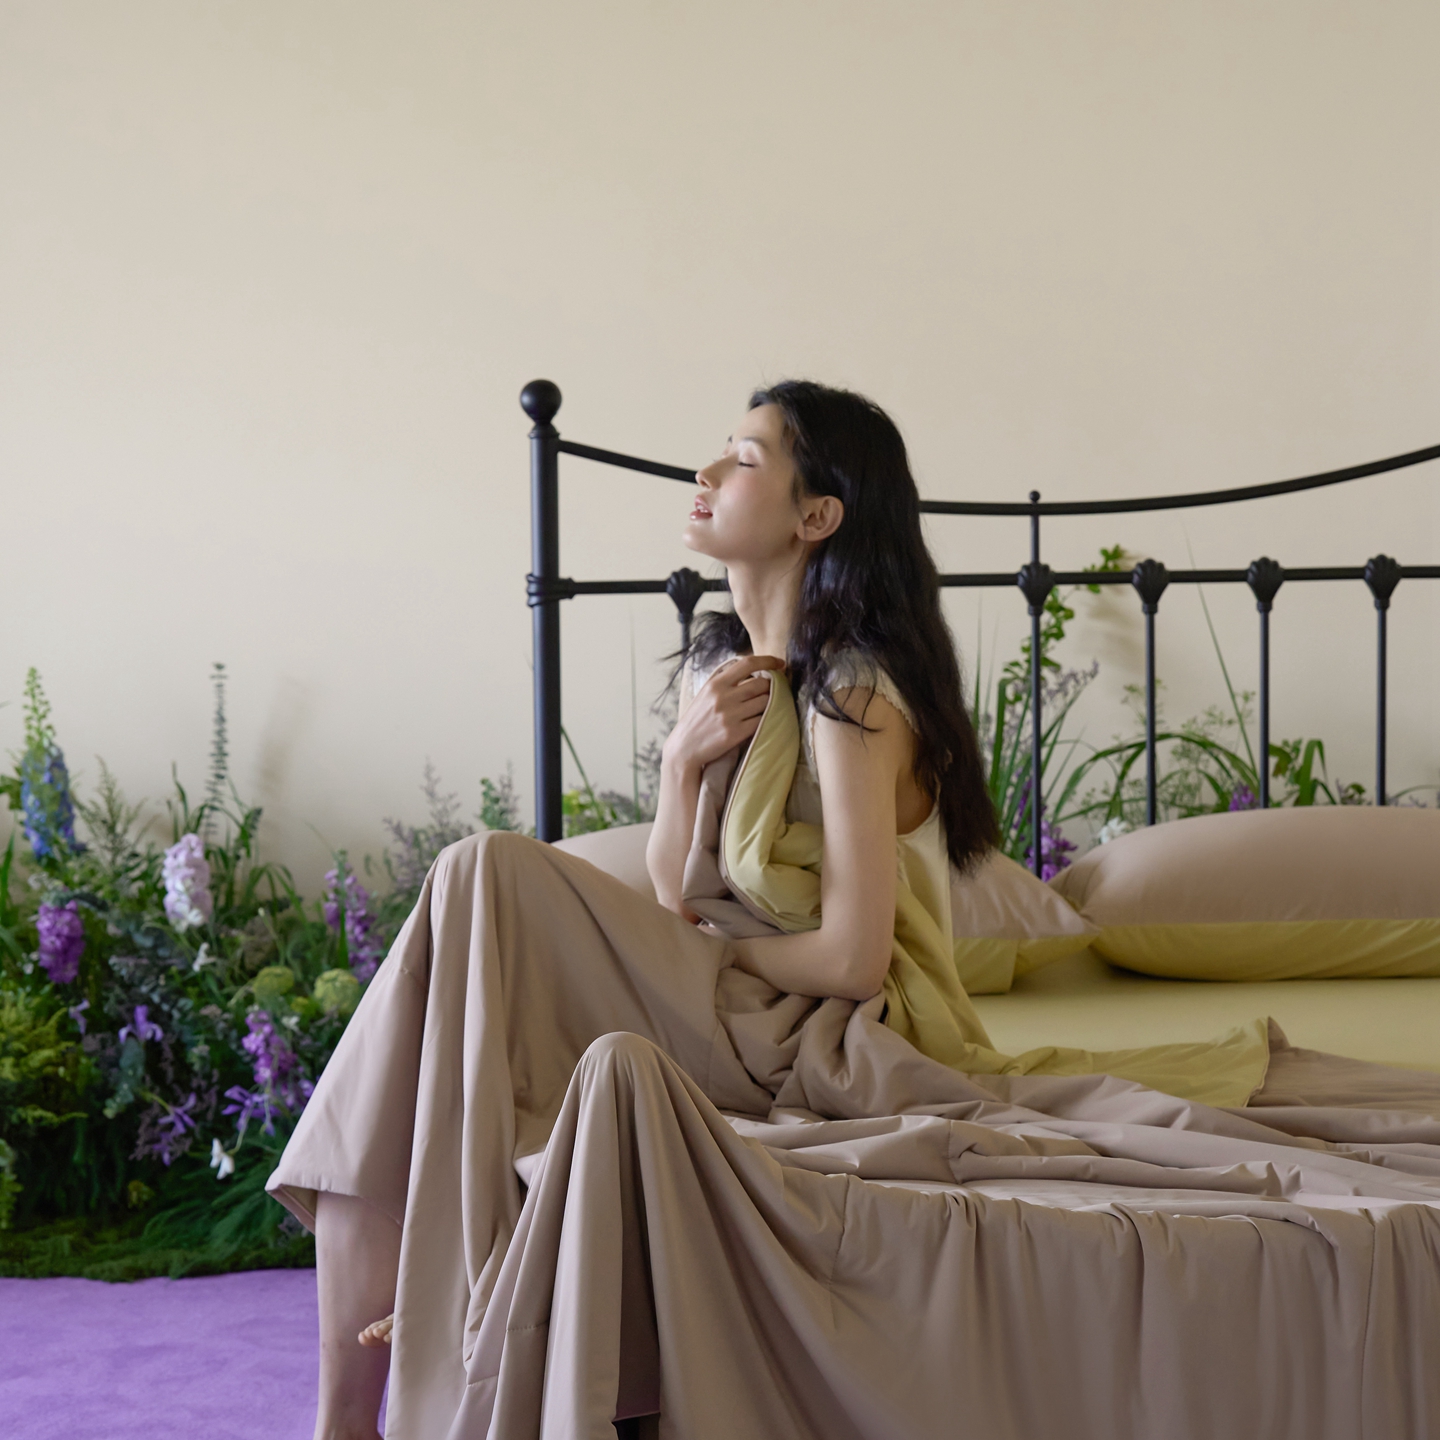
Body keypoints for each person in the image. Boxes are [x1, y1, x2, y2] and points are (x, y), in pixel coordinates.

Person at [271, 382, 1266, 1440]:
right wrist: (680, 764)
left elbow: (854, 959)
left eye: (743, 459)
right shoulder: (724, 671)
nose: (704, 474)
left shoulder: (853, 694)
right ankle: (363, 1405)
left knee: (481, 876)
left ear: (816, 515)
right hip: (729, 1005)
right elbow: (675, 894)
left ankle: (398, 1362)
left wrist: (699, 959)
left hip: (832, 1031)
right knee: (452, 970)